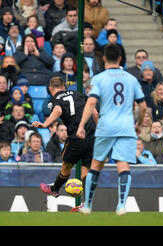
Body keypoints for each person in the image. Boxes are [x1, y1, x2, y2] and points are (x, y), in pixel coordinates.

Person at [76, 43, 147, 215]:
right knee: (123, 166)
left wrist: (81, 125)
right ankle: (121, 206)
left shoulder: (99, 78)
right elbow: (143, 106)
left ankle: (88, 205)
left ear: (104, 59)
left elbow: (91, 102)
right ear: (121, 59)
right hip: (125, 126)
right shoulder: (131, 79)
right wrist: (137, 124)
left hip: (106, 125)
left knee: (96, 165)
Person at [31, 76, 98, 209]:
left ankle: (54, 189)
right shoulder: (79, 94)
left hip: (76, 136)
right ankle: (88, 204)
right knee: (86, 171)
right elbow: (94, 112)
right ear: (64, 87)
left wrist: (45, 124)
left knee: (66, 166)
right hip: (91, 135)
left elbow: (58, 110)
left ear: (51, 89)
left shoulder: (55, 99)